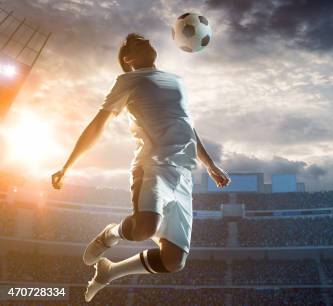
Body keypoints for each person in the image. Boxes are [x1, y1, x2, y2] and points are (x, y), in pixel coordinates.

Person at [51, 33, 230, 302]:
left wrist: (210, 164)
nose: (145, 40)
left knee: (173, 261)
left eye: (145, 39)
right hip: (153, 165)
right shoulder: (127, 81)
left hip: (182, 174)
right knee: (144, 228)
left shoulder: (176, 81)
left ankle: (110, 272)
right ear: (128, 59)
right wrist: (67, 166)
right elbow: (98, 124)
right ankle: (110, 234)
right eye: (136, 43)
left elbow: (186, 126)